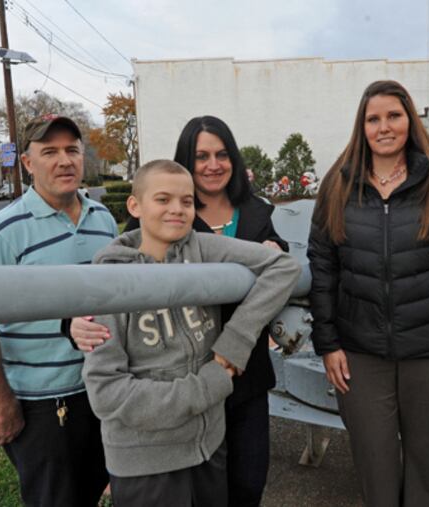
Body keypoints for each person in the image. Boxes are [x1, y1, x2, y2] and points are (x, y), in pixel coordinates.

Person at [70, 115, 287, 506]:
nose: (213, 163)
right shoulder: (118, 270)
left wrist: (234, 343)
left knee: (248, 486)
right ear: (136, 205)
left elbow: (281, 266)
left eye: (185, 202)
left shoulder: (239, 223)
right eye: (201, 155)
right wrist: (207, 386)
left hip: (224, 408)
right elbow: (108, 388)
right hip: (154, 449)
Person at [307, 80, 429, 506]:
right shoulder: (338, 186)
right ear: (361, 127)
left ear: (410, 120)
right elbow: (323, 269)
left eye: (393, 116)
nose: (384, 127)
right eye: (373, 118)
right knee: (375, 472)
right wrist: (328, 342)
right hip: (360, 354)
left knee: (428, 472)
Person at [0, 114, 116, 506]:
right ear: (28, 163)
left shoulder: (105, 221)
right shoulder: (1, 233)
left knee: (95, 490)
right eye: (49, 152)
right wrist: (1, 403)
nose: (64, 161)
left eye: (71, 150)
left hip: (103, 391)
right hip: (45, 405)